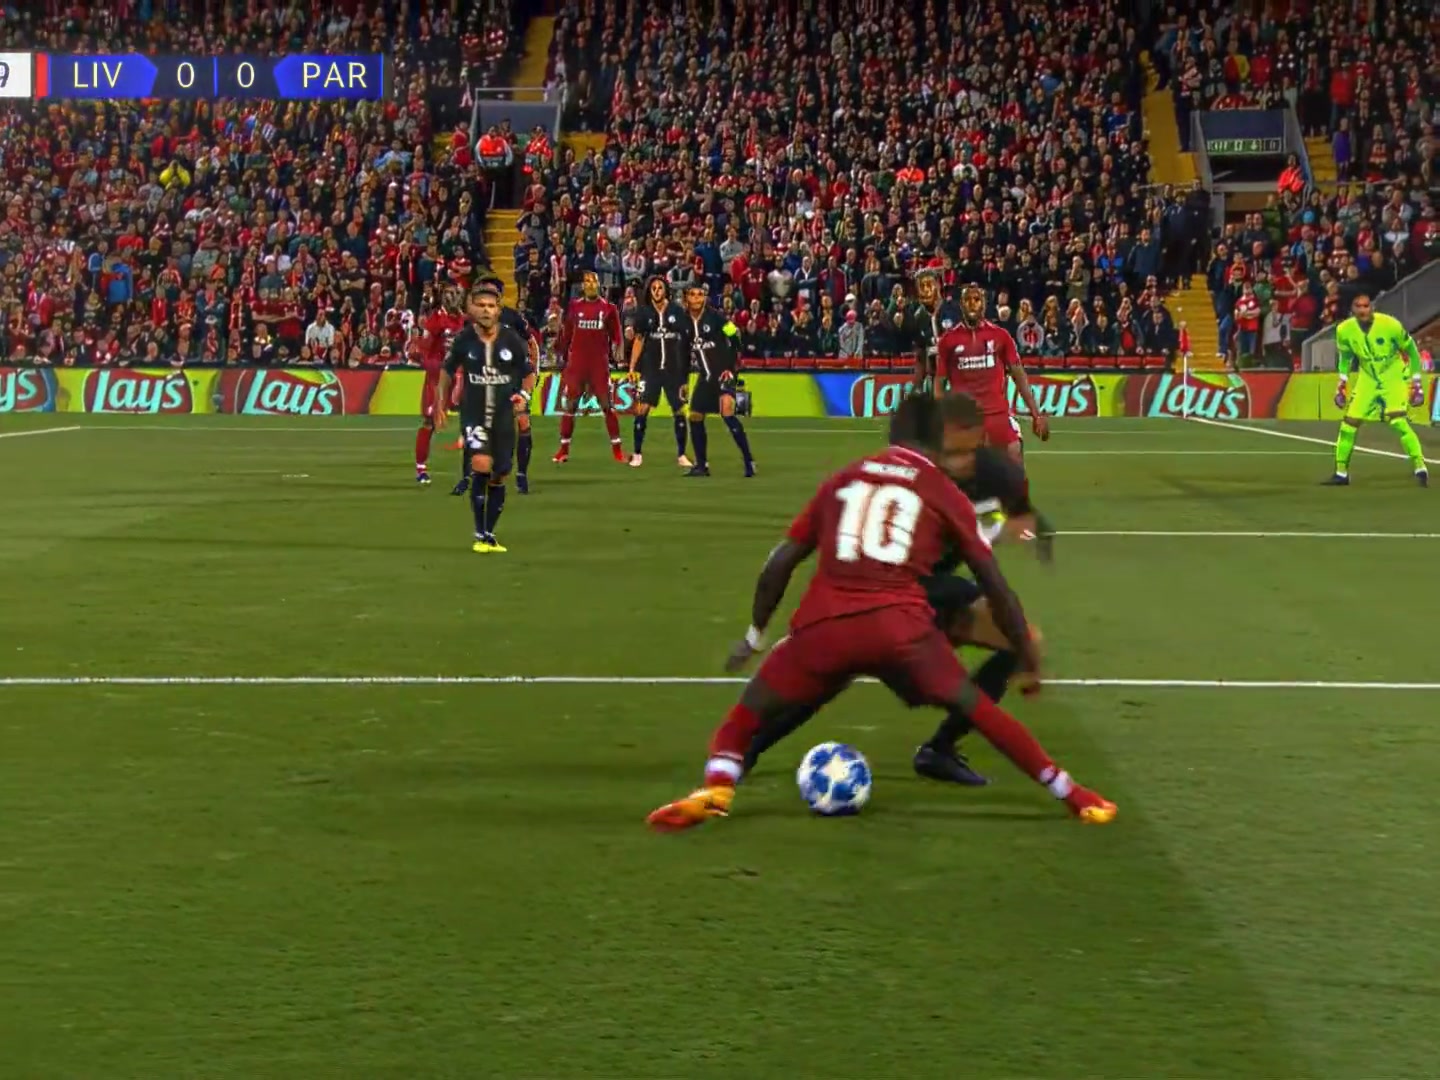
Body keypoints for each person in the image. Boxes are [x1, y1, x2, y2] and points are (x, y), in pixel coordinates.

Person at [645, 393, 1115, 831]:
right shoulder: (944, 488)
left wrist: (755, 634)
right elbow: (997, 585)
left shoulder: (844, 477)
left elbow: (781, 561)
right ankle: (1071, 793)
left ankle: (719, 782)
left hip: (828, 621)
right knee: (971, 703)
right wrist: (1029, 658)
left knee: (750, 709)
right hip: (901, 625)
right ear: (939, 439)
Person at [742, 405, 1056, 786]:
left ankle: (939, 749)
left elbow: (1024, 519)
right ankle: (747, 751)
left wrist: (1027, 532)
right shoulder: (911, 476)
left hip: (932, 587)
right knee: (831, 671)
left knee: (1021, 639)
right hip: (886, 587)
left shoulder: (995, 475)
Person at [434, 283, 533, 553]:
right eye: (481, 305)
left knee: (500, 474)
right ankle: (480, 533)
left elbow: (528, 372)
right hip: (473, 415)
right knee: (480, 463)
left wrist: (524, 396)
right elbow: (446, 370)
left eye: (491, 306)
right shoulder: (464, 339)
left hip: (503, 417)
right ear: (472, 309)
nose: (486, 310)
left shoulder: (511, 340)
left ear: (498, 310)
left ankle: (489, 533)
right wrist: (440, 403)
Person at [936, 284, 1050, 468]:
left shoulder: (1001, 336)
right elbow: (938, 384)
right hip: (965, 419)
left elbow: (1019, 375)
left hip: (997, 415)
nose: (972, 304)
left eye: (976, 299)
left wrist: (1036, 414)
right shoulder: (948, 341)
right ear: (961, 305)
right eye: (967, 300)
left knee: (1014, 455)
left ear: (984, 304)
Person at [450, 274, 541, 495]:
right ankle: (466, 477)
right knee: (475, 428)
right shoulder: (474, 320)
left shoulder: (512, 317)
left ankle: (521, 475)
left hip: (511, 377)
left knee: (523, 422)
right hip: (482, 378)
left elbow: (531, 342)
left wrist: (534, 371)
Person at [1325, 293, 1427, 487]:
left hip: (1393, 374)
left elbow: (1412, 352)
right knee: (1348, 424)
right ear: (1352, 310)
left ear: (1372, 307)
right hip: (1367, 377)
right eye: (1358, 306)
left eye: (1366, 306)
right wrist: (1342, 383)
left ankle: (1420, 467)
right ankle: (1341, 473)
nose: (1363, 310)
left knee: (1398, 421)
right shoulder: (1344, 330)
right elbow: (1346, 358)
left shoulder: (1390, 325)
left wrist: (1416, 383)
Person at [678, 283, 755, 478]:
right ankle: (701, 466)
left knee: (727, 411)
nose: (697, 298)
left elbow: (734, 334)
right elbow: (684, 354)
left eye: (700, 294)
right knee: (695, 415)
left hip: (723, 373)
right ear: (687, 298)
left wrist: (732, 365)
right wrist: (683, 381)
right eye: (693, 295)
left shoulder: (716, 317)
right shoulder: (684, 323)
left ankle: (748, 461)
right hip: (706, 376)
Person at [553, 271, 625, 464]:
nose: (591, 284)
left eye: (594, 281)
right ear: (583, 286)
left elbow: (617, 335)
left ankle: (617, 450)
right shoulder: (574, 306)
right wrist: (561, 352)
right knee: (570, 406)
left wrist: (618, 350)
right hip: (577, 362)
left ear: (598, 284)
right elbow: (567, 333)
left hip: (598, 364)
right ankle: (563, 449)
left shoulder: (609, 308)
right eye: (587, 281)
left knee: (606, 405)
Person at [626, 275, 693, 468]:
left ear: (666, 290)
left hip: (673, 371)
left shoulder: (677, 311)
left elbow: (685, 339)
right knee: (642, 409)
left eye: (660, 287)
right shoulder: (644, 312)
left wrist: (685, 369)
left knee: (679, 410)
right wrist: (632, 367)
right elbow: (639, 340)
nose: (657, 291)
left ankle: (682, 455)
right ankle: (637, 454)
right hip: (650, 370)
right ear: (649, 291)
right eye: (653, 288)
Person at [415, 287, 466, 486]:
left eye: (457, 295)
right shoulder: (435, 320)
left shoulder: (463, 319)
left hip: (459, 376)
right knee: (429, 422)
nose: (455, 298)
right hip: (438, 380)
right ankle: (421, 468)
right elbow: (424, 351)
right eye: (451, 294)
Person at [898, 271, 961, 393]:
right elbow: (919, 351)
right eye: (921, 286)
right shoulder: (918, 316)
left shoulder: (954, 309)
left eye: (929, 284)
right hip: (933, 372)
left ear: (938, 285)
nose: (926, 290)